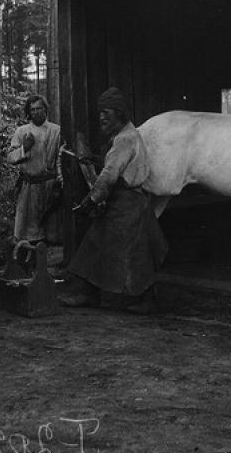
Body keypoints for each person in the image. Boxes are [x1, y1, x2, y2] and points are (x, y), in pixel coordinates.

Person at [60, 87, 168, 314]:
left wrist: (91, 200)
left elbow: (110, 174)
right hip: (126, 202)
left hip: (127, 205)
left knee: (135, 255)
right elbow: (117, 164)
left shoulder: (125, 139)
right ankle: (88, 293)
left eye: (106, 113)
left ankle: (146, 299)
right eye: (100, 113)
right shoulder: (127, 135)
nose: (101, 118)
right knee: (97, 244)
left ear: (119, 113)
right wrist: (96, 159)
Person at [7, 95, 63, 244]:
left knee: (49, 231)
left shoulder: (56, 131)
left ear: (45, 110)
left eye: (39, 109)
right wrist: (25, 148)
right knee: (27, 233)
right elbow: (10, 158)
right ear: (29, 112)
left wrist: (59, 182)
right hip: (28, 189)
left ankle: (47, 261)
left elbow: (61, 157)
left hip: (49, 188)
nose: (36, 112)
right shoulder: (22, 131)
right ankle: (28, 261)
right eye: (33, 110)